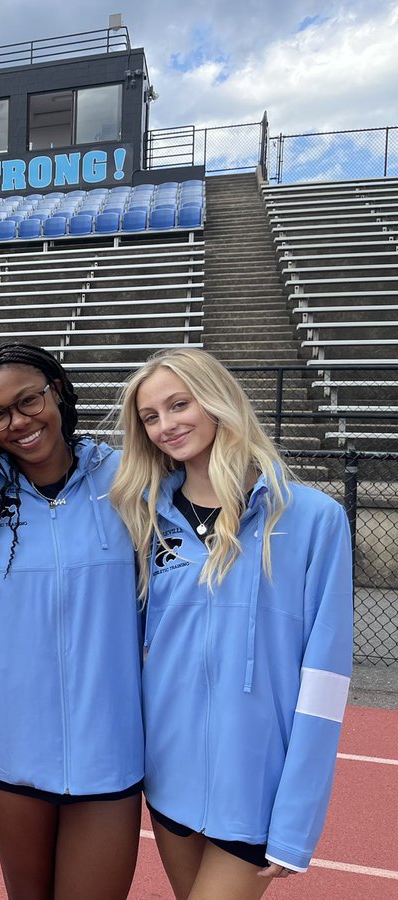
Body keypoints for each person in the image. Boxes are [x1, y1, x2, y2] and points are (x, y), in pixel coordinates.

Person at [110, 348, 353, 900]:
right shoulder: (149, 519)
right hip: (168, 777)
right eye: (151, 417)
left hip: (255, 785)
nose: (167, 425)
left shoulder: (313, 518)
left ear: (217, 399)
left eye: (179, 404)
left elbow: (324, 681)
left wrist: (296, 819)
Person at [0, 344, 143, 900]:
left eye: (28, 400)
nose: (20, 422)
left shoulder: (127, 477)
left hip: (109, 746)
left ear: (55, 390)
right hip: (11, 746)